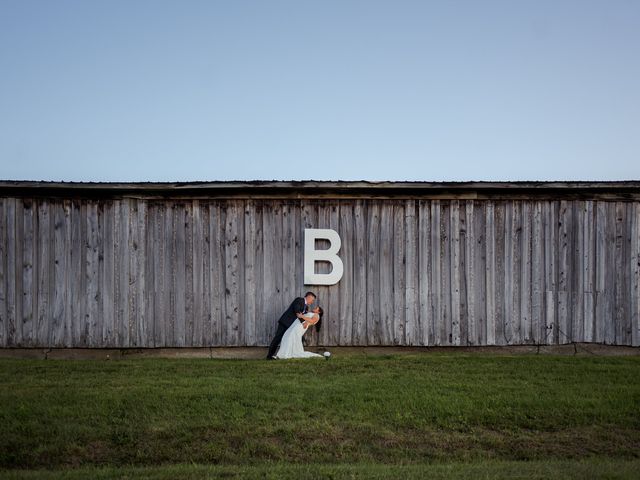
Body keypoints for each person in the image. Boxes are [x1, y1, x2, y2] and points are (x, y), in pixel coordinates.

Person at [266, 292, 316, 360]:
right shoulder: (299, 300)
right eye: (312, 300)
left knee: (294, 339)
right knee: (277, 339)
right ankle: (269, 356)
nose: (312, 302)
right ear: (309, 297)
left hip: (292, 326)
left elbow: (303, 315)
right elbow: (297, 310)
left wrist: (305, 322)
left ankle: (291, 353)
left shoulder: (306, 307)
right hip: (285, 322)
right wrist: (301, 319)